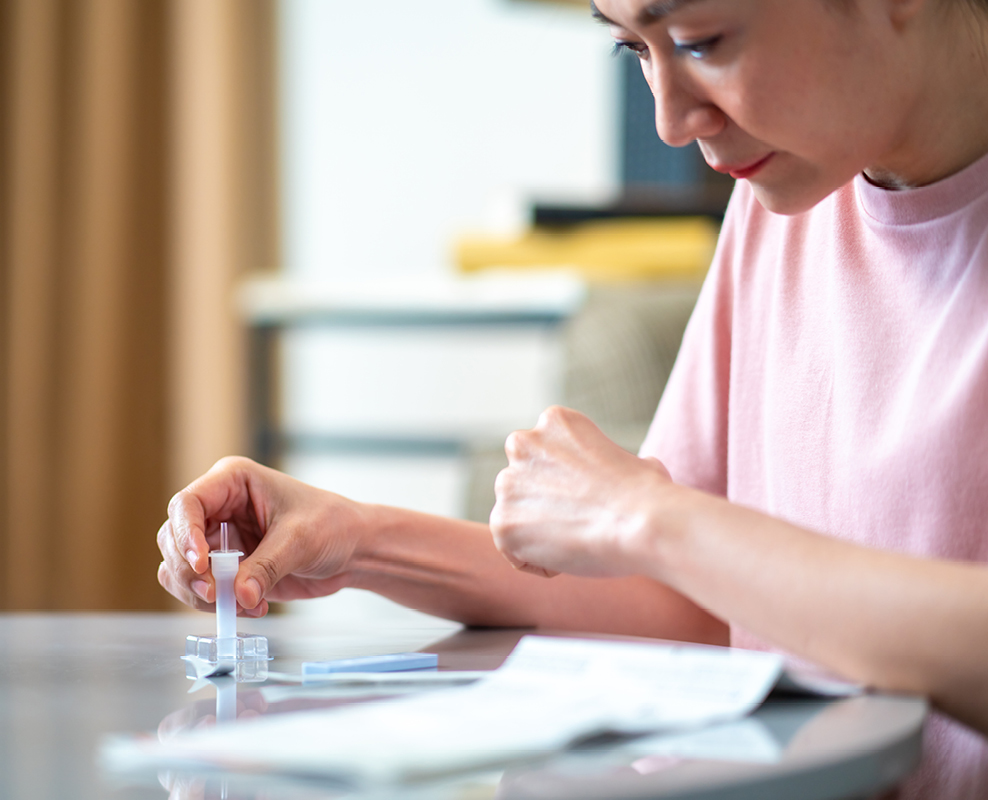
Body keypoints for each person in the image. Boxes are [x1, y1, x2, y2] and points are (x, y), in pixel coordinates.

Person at [157, 0, 988, 796]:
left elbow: (674, 539)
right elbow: (701, 601)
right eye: (634, 50)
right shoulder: (786, 204)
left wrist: (649, 517)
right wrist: (358, 539)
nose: (671, 120)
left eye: (701, 39)